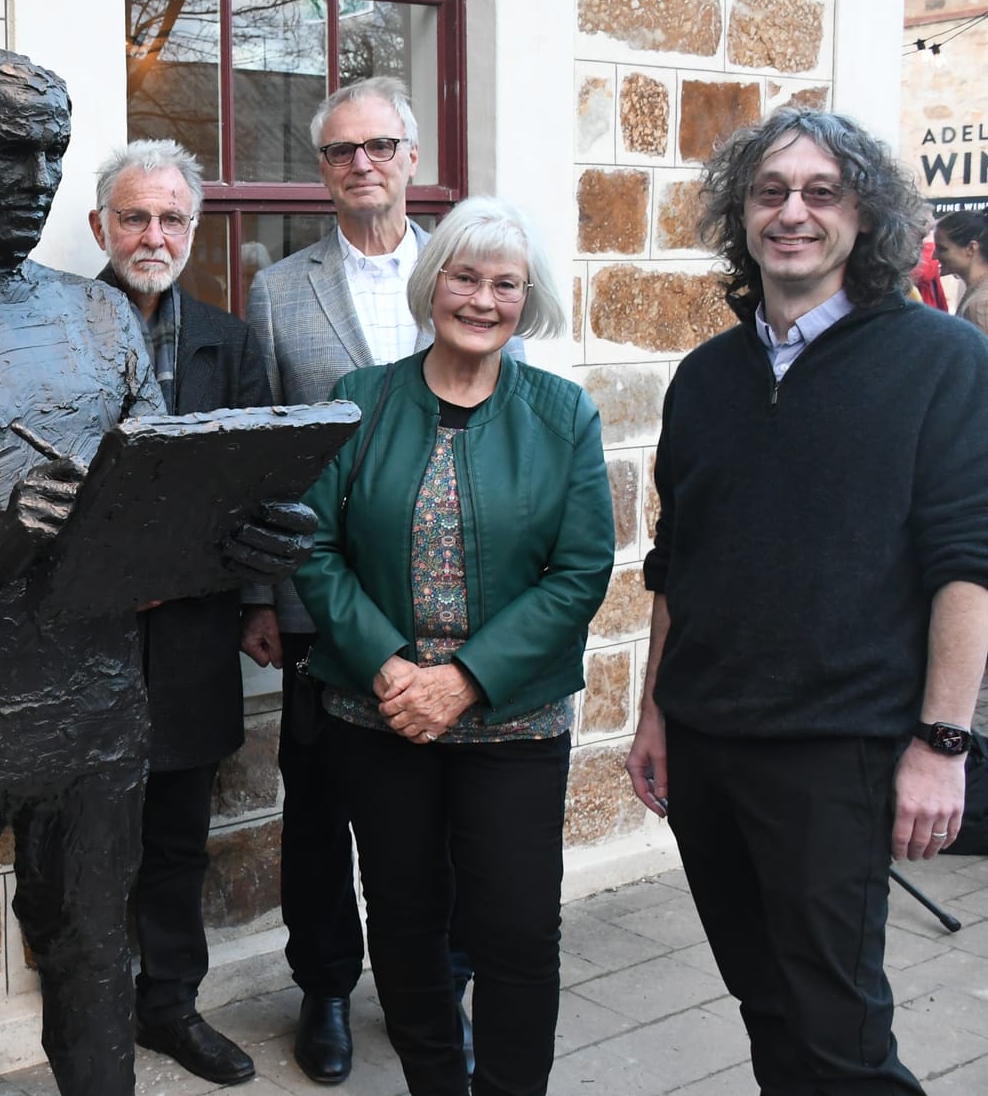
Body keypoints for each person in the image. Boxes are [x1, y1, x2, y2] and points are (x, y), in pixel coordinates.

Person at [0, 49, 314, 1096]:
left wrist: (242, 534)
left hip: (93, 704)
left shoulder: (98, 316)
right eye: (8, 149)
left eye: (51, 153)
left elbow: (157, 494)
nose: (36, 176)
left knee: (92, 961)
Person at [626, 106, 988, 1093]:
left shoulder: (941, 361)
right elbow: (675, 562)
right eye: (768, 191)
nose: (791, 211)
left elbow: (965, 565)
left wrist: (940, 745)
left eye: (819, 191)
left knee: (838, 1037)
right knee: (765, 1005)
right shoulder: (703, 377)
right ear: (739, 216)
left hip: (838, 749)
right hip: (705, 744)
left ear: (863, 215)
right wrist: (655, 709)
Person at [294, 198, 610, 1095]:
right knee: (402, 923)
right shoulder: (361, 400)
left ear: (526, 298)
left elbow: (579, 571)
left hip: (512, 720)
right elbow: (313, 545)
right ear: (433, 288)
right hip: (377, 709)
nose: (482, 299)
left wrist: (465, 680)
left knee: (514, 934)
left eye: (504, 283)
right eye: (464, 278)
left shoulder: (563, 414)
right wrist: (392, 665)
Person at [245, 75, 512, 1083]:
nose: (361, 164)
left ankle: (434, 986)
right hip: (324, 606)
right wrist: (261, 599)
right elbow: (260, 462)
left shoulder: (470, 270)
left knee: (444, 814)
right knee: (316, 815)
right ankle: (321, 986)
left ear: (410, 157)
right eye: (339, 151)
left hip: (454, 603)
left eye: (378, 146)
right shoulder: (279, 292)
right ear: (321, 171)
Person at [87, 138, 271, 1087]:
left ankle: (170, 1004)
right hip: (82, 635)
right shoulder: (55, 328)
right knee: (78, 837)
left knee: (175, 839)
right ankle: (88, 1015)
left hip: (190, 636)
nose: (151, 235)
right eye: (133, 216)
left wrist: (227, 590)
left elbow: (251, 489)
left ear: (193, 232)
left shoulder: (231, 344)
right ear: (99, 228)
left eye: (169, 218)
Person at [934, 210, 988, 333]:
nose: (934, 256)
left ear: (971, 248)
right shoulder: (977, 293)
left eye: (942, 249)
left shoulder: (980, 305)